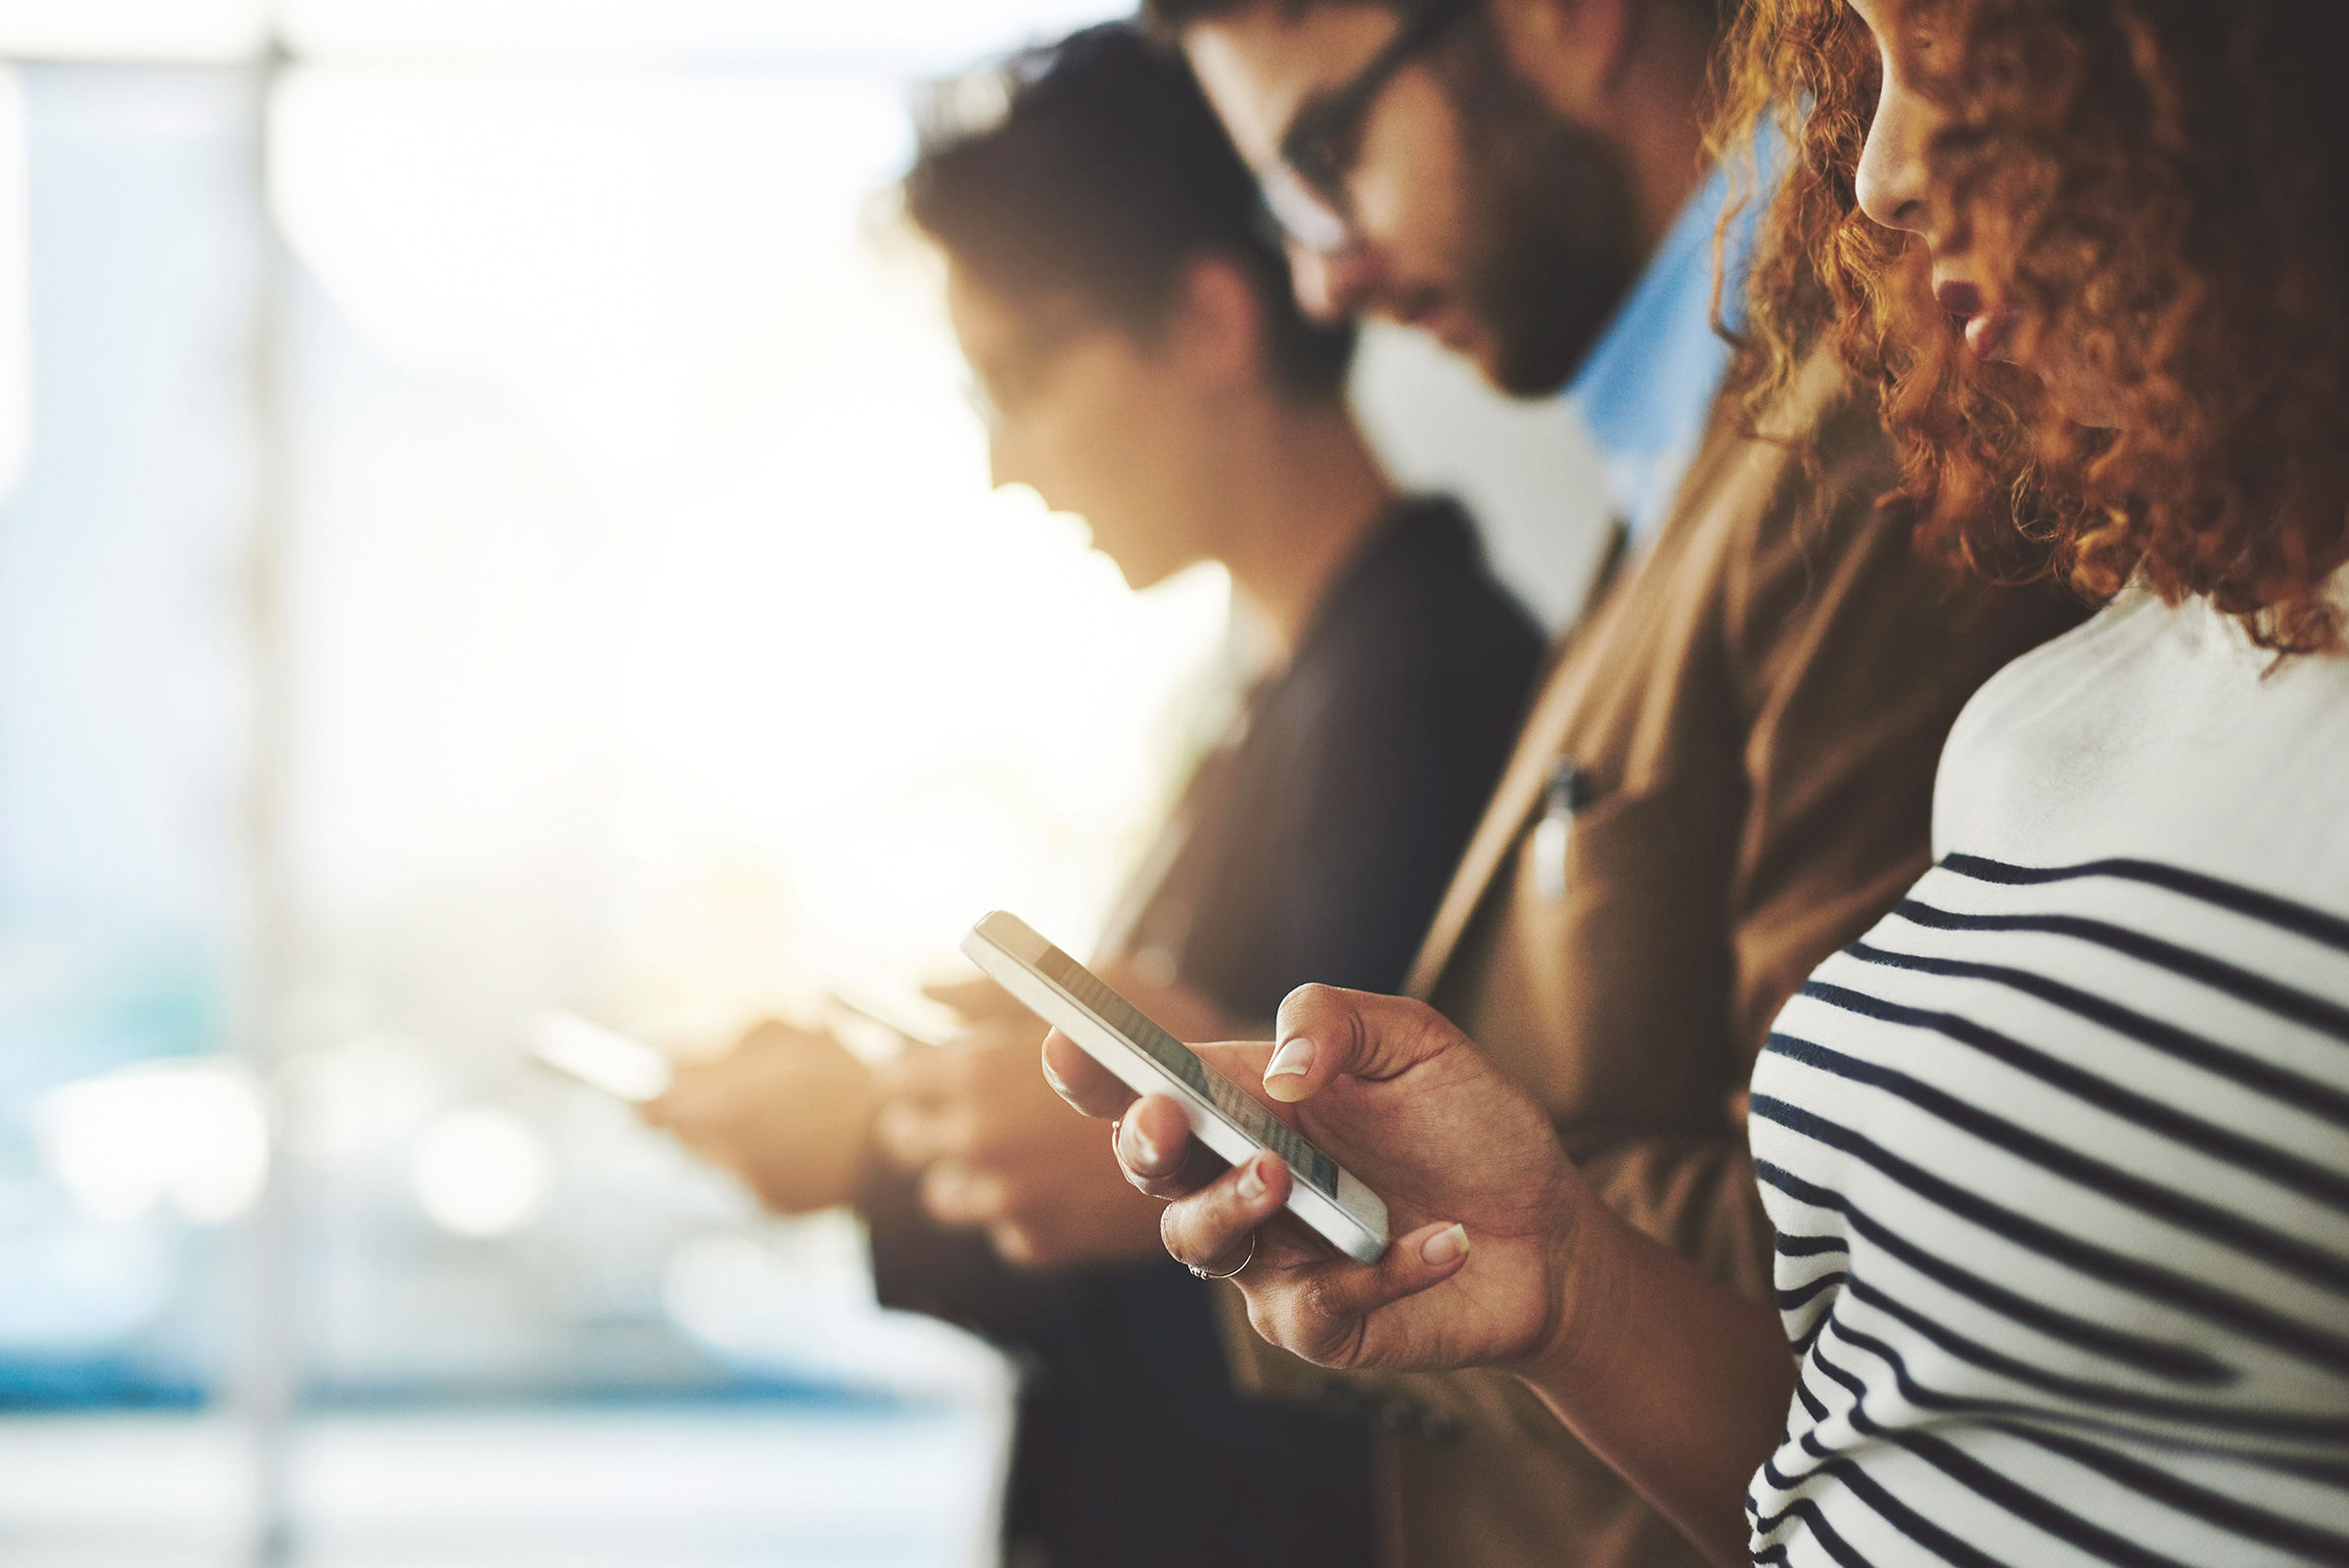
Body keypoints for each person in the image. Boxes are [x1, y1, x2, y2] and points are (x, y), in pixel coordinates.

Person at [1057, 0, 2349, 1562]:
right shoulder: (2043, 717)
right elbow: (1869, 1444)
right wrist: (1563, 1272)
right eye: (1865, 68)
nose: (1872, 173)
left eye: (1951, 52)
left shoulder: (1846, 483)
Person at [641, 24, 1543, 1568]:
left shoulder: (1426, 689)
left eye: (1018, 377)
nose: (1002, 460)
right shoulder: (1296, 690)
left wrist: (881, 1145)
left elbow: (1314, 1262)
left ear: (1205, 319)